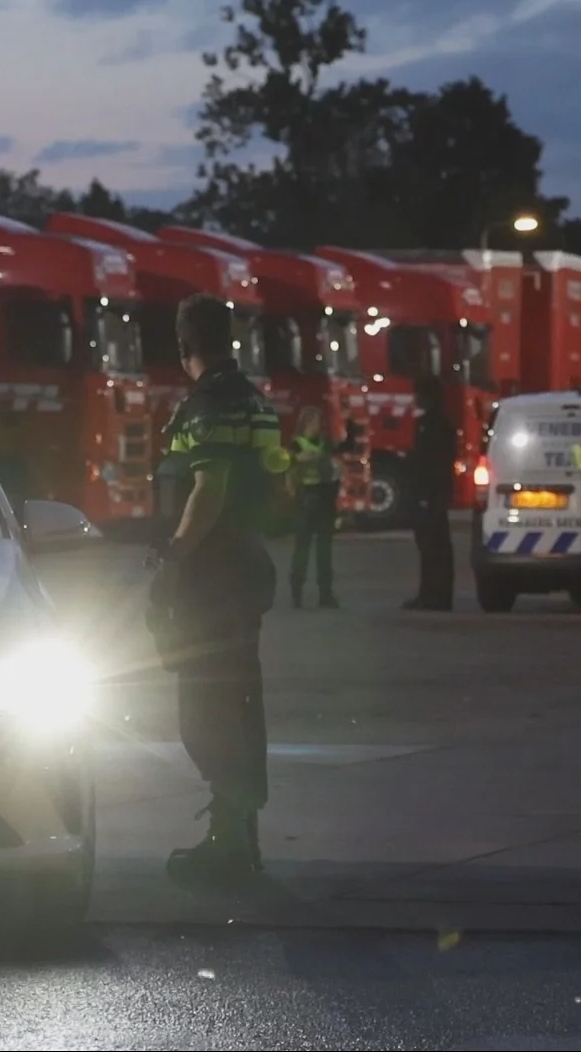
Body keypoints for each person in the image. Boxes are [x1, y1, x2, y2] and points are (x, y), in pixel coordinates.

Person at [145, 293, 291, 884]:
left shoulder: (207, 406)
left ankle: (228, 840)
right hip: (245, 568)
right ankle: (239, 834)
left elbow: (209, 487)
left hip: (209, 575)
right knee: (238, 701)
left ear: (185, 348)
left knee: (205, 707)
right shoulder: (256, 402)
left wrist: (176, 555)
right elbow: (280, 486)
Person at [287, 405, 352, 609]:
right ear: (305, 423)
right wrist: (299, 461)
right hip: (306, 498)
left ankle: (326, 593)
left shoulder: (325, 442)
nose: (319, 426)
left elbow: (343, 450)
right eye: (315, 422)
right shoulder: (297, 444)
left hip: (324, 497)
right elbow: (288, 469)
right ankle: (297, 592)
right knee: (302, 549)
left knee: (325, 549)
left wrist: (350, 425)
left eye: (320, 422)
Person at [404, 374, 457, 611]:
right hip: (437, 493)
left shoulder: (431, 425)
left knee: (431, 547)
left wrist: (423, 495)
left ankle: (432, 595)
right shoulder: (443, 423)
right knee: (437, 547)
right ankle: (437, 595)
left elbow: (429, 463)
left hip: (430, 494)